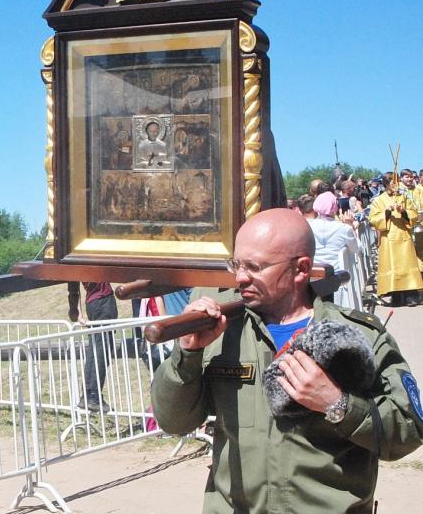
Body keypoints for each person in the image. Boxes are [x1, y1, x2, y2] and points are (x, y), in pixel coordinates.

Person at [151, 208, 423, 513]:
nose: (240, 277)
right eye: (237, 264)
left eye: (255, 267)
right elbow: (174, 422)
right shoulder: (223, 332)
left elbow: (408, 431)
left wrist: (338, 404)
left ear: (300, 269)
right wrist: (188, 354)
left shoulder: (358, 336)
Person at [368, 173, 423, 306]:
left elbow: (414, 213)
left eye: (396, 183)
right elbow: (373, 219)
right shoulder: (379, 200)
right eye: (393, 183)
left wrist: (404, 212)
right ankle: (396, 296)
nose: (395, 186)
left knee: (408, 265)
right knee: (392, 266)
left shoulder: (403, 197)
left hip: (403, 235)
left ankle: (411, 296)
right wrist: (386, 213)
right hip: (388, 238)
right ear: (386, 184)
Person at [306, 191, 359, 307]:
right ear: (335, 208)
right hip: (337, 275)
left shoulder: (306, 225)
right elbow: (356, 248)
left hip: (313, 274)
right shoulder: (344, 228)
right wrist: (350, 226)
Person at [78, 282, 118, 413]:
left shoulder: (74, 262)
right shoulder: (88, 261)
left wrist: (78, 312)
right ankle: (94, 396)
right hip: (103, 301)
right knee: (102, 349)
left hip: (92, 303)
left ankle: (87, 394)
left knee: (94, 348)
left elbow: (72, 287)